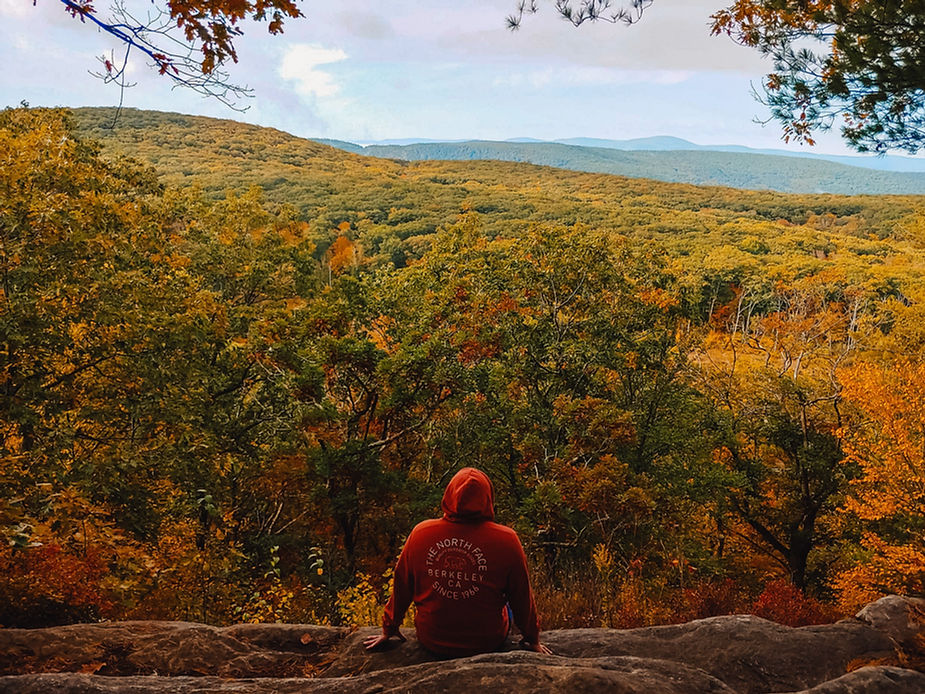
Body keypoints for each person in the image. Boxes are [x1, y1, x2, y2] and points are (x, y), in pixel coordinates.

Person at [364, 467, 552, 656]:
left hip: (432, 639)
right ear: (488, 498)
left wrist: (389, 627)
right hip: (487, 641)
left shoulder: (421, 533)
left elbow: (402, 585)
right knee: (508, 604)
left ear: (448, 495)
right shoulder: (507, 540)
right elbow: (522, 597)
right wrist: (532, 638)